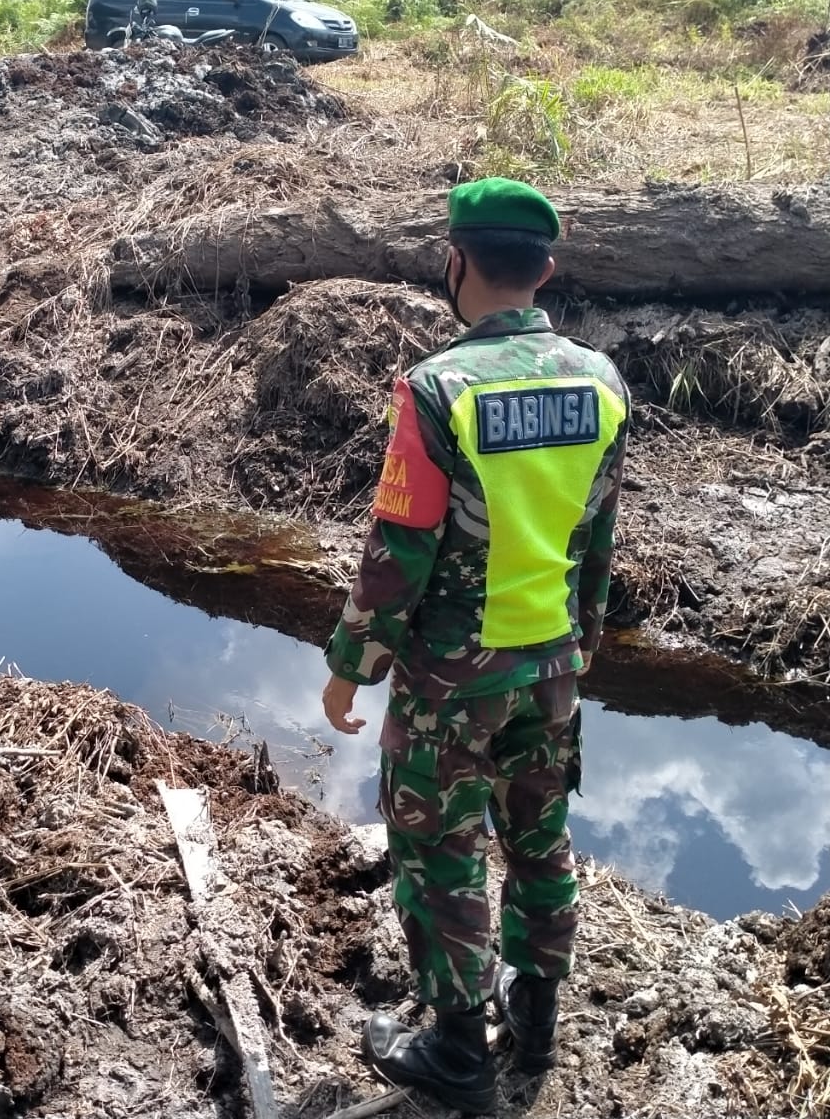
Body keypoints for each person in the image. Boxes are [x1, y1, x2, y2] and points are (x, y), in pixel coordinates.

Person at [321, 178, 630, 1114]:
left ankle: (458, 1052)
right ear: (547, 269)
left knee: (440, 849)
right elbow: (598, 542)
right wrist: (583, 648)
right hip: (553, 666)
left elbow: (399, 551)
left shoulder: (437, 389)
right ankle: (535, 1022)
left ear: (455, 262)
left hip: (453, 678)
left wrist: (351, 667)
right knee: (540, 837)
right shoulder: (602, 382)